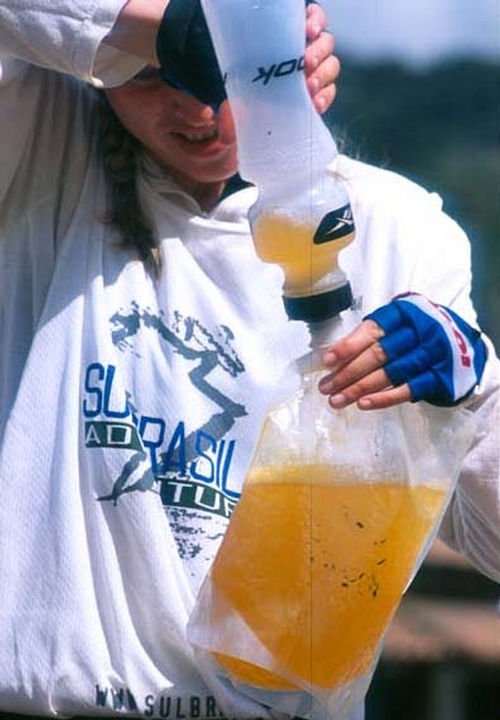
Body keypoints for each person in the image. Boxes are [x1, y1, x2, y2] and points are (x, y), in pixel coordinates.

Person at [0, 1, 498, 719]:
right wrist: (175, 30)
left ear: (305, 41)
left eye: (227, 77)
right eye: (149, 77)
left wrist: (472, 388)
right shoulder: (39, 147)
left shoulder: (402, 230)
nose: (198, 107)